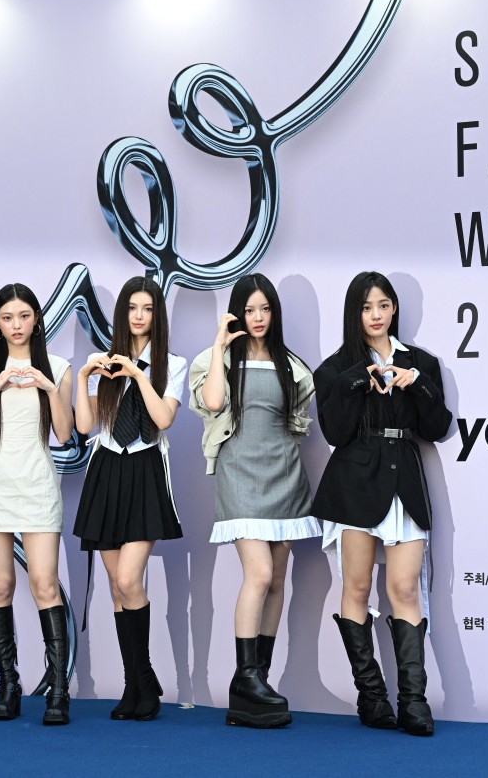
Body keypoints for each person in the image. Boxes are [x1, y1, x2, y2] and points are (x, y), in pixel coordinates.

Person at [312, 271, 452, 737]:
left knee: (406, 589)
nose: (376, 315)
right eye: (367, 307)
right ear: (355, 313)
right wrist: (360, 380)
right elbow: (334, 432)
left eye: (384, 305)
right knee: (354, 588)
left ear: (394, 309)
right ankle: (372, 698)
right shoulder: (335, 369)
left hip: (405, 482)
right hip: (355, 483)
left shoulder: (422, 363)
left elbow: (436, 427)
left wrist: (417, 384)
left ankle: (413, 702)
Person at [188, 273, 320, 728]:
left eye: (265, 310)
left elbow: (297, 419)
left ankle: (256, 682)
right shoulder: (214, 358)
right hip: (239, 474)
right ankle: (245, 678)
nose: (258, 318)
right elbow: (213, 401)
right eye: (250, 310)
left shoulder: (293, 365)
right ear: (237, 313)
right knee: (259, 574)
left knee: (278, 578)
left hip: (285, 474)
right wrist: (221, 345)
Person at [72, 276, 187, 722]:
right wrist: (84, 377)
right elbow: (85, 427)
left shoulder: (170, 364)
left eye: (148, 309)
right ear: (122, 315)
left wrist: (138, 373)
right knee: (117, 589)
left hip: (143, 468)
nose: (139, 316)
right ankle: (135, 684)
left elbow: (162, 419)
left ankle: (143, 680)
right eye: (132, 309)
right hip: (105, 470)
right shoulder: (103, 363)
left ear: (157, 316)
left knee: (128, 579)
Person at [0, 283, 75, 725]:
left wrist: (49, 387)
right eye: (8, 318)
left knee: (45, 585)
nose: (16, 325)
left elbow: (65, 434)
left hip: (36, 484)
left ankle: (59, 689)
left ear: (36, 319)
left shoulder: (59, 366)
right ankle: (8, 684)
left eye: (24, 316)